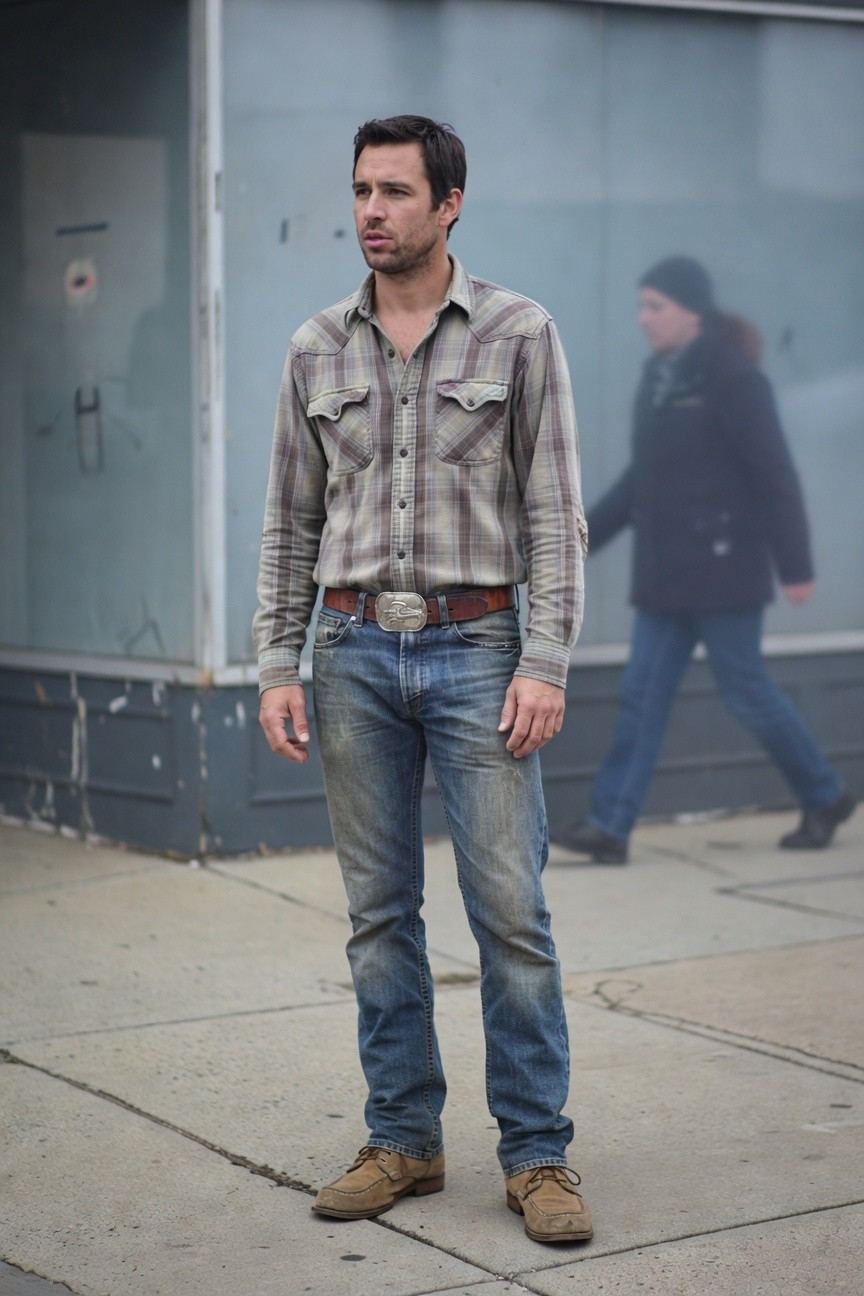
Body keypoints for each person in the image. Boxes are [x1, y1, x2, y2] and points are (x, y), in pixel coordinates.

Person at [254, 115, 592, 1244]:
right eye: (360, 189)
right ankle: (404, 1137)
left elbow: (555, 513)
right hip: (349, 653)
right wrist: (276, 662)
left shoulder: (516, 331)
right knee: (377, 916)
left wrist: (544, 659)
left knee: (511, 914)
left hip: (479, 650)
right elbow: (290, 521)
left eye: (395, 191)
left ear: (450, 203)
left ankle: (538, 1155)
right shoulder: (316, 348)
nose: (371, 211)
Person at [551, 255, 856, 866]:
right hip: (666, 577)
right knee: (641, 695)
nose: (643, 319)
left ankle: (824, 795)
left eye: (654, 306)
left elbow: (775, 475)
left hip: (723, 572)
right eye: (640, 306)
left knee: (746, 692)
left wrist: (795, 565)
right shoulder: (660, 380)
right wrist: (573, 542)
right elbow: (642, 482)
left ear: (692, 312)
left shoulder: (735, 380)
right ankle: (611, 825)